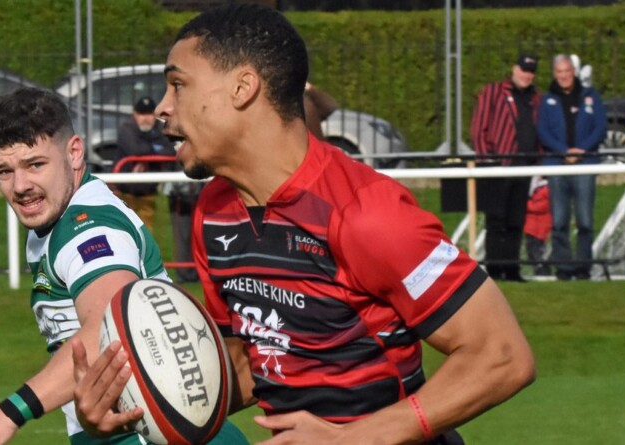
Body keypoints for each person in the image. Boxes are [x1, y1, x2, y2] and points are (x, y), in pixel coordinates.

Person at [71, 4, 536, 445]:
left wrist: (355, 438)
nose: (162, 108)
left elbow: (501, 355)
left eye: (179, 85)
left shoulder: (367, 213)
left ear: (243, 87)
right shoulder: (214, 212)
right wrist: (134, 401)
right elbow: (252, 360)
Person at [0, 88, 247, 445]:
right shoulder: (61, 214)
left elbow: (112, 327)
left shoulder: (88, 229)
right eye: (4, 171)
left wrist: (9, 413)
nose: (20, 186)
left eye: (35, 165)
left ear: (75, 152)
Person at [470, 54, 542, 282]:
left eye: (530, 71)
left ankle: (511, 269)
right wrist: (488, 161)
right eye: (523, 70)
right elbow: (479, 129)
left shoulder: (535, 98)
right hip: (497, 166)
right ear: (514, 69)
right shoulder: (493, 92)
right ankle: (494, 268)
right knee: (496, 220)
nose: (526, 75)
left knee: (516, 220)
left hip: (523, 167)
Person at [537, 54, 607, 281]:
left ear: (573, 72)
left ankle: (583, 267)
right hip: (557, 165)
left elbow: (600, 127)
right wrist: (564, 151)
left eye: (567, 71)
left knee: (585, 220)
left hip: (584, 165)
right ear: (554, 74)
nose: (564, 76)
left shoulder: (590, 96)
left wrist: (581, 151)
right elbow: (543, 131)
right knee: (559, 221)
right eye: (559, 72)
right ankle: (564, 268)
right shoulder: (547, 100)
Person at [114, 96, 174, 232]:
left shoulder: (160, 128)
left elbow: (171, 151)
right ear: (135, 115)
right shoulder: (127, 128)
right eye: (141, 114)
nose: (145, 118)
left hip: (148, 192)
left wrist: (144, 156)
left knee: (146, 232)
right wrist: (155, 149)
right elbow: (135, 150)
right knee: (125, 231)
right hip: (125, 192)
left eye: (149, 114)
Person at [163, 176, 203, 283]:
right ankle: (184, 273)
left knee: (196, 234)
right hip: (180, 194)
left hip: (195, 192)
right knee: (183, 235)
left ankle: (194, 272)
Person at [523, 176, 552, 276]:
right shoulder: (534, 186)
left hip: (540, 228)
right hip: (530, 227)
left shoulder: (547, 188)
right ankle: (537, 269)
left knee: (538, 251)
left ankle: (542, 270)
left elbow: (542, 206)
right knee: (530, 250)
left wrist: (525, 205)